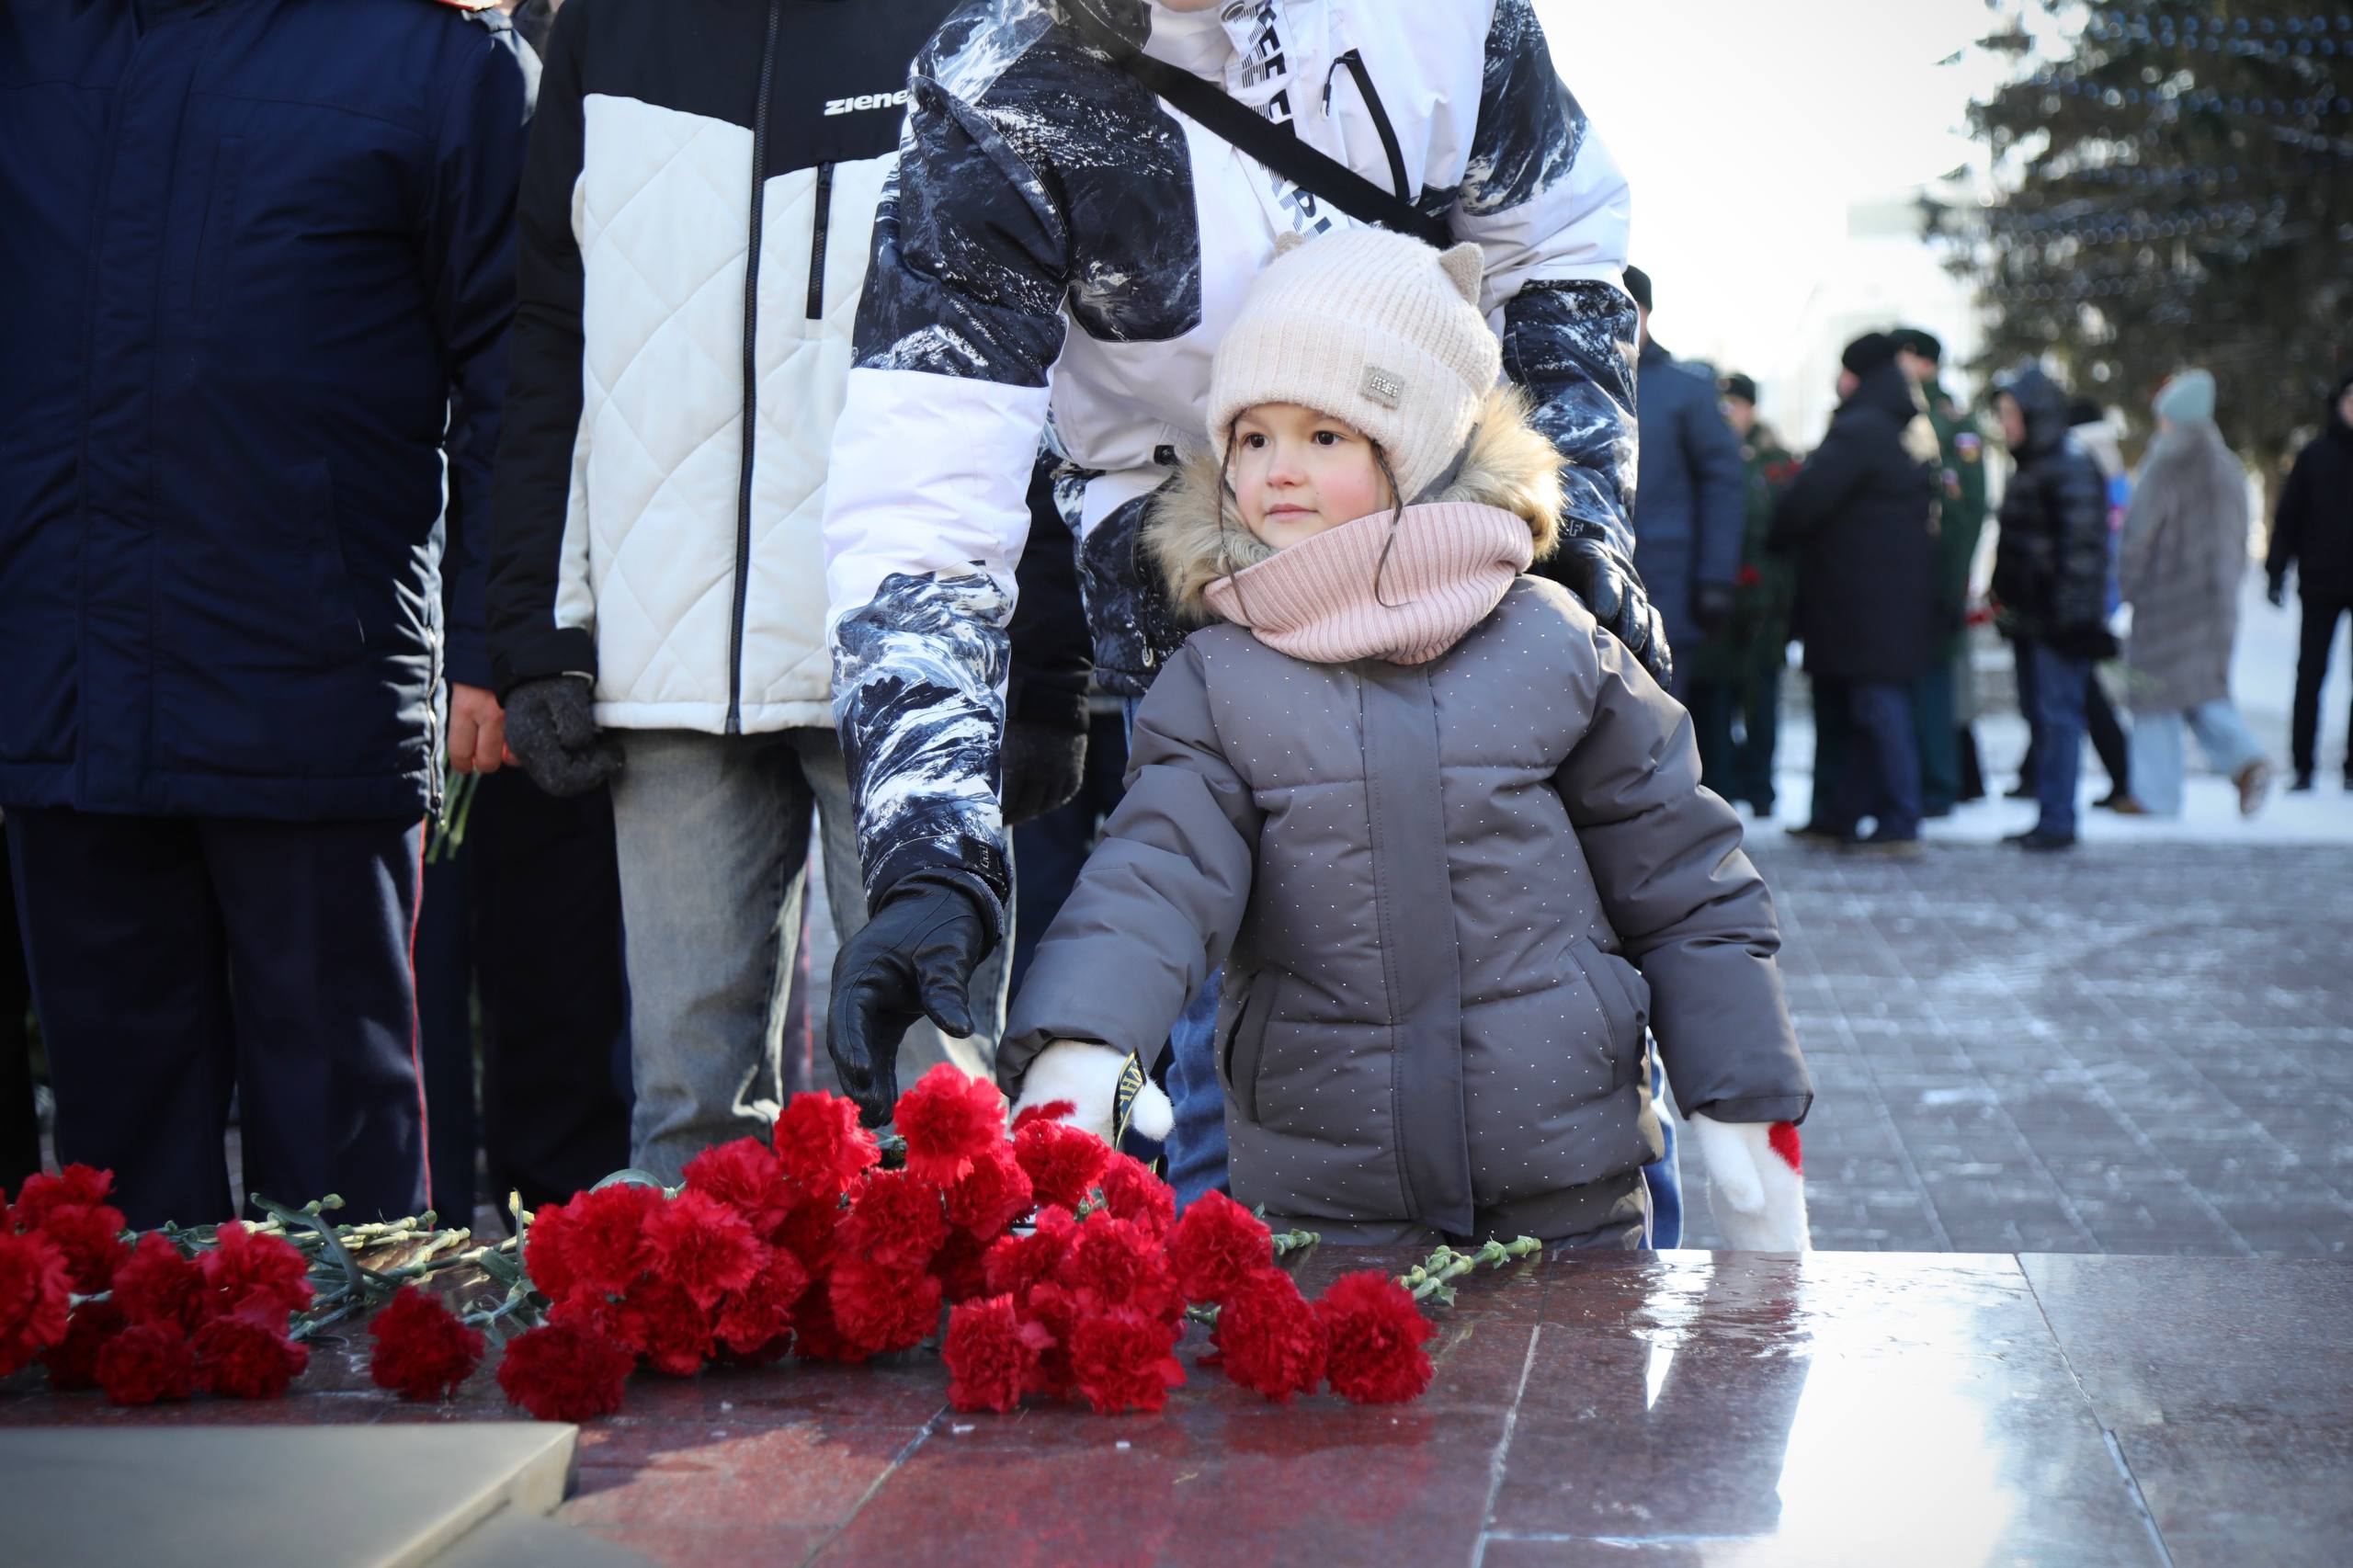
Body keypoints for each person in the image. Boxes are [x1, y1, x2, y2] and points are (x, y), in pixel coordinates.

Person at [820, 1, 1662, 1223]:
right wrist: (928, 858)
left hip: (1473, 581)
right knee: (1259, 1038)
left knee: (1556, 981)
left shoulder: (1442, 15)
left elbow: (1559, 236)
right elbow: (923, 499)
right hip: (1202, 601)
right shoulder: (1001, 81)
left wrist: (1577, 523)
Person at [1002, 231, 1812, 1250]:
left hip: (1566, 1185)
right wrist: (1082, 1035)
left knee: (1574, 1406)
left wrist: (1738, 1089)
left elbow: (1684, 879)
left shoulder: (1550, 644)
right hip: (1327, 1203)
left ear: (1417, 447)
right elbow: (1155, 869)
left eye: (1325, 437)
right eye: (1252, 439)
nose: (1278, 470)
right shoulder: (1220, 677)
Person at [0, 0, 530, 1230]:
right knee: (115, 1196)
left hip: (313, 681)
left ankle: (353, 1419)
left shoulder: (432, 58)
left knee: (346, 1167)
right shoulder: (31, 42)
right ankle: (143, 1406)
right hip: (65, 688)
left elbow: (517, 364)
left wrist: (499, 643)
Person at [486, 0, 1009, 1185]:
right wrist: (538, 631)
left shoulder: (971, 26)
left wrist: (1043, 674)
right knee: (684, 1134)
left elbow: (1039, 352)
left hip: (903, 666)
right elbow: (549, 330)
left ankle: (962, 1365)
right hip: (662, 657)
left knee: (945, 1121)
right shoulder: (607, 30)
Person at [1769, 334, 1941, 853]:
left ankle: (1899, 819)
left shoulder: (1861, 429)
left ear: (1857, 376)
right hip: (1886, 599)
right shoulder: (1905, 426)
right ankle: (1841, 816)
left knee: (1874, 709)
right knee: (1863, 709)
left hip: (1859, 600)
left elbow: (1804, 502)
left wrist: (1777, 525)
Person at [2116, 371, 2272, 818]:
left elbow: (2139, 534)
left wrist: (2127, 585)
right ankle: (2245, 760)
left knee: (2152, 694)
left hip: (2166, 600)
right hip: (2214, 601)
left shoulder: (2165, 462)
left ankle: (2155, 795)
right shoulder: (2227, 466)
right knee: (2202, 688)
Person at [1991, 369, 2118, 850]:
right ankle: (2050, 813)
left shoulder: (2068, 464)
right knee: (2042, 716)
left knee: (2058, 716)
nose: (2004, 424)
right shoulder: (2037, 463)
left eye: (2010, 414)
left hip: (2056, 623)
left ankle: (2058, 819)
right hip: (2034, 619)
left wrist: (2068, 619)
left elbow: (2083, 555)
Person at [1625, 267, 1746, 701]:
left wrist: (1715, 578)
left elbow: (1723, 487)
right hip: (1583, 591)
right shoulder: (1573, 384)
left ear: (1645, 312)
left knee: (1660, 725)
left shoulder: (1686, 392)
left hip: (1666, 589)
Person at [1689, 374, 1800, 818]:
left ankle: (1760, 786)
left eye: (1735, 405)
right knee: (1713, 697)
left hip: (1764, 606)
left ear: (1751, 409)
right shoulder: (1705, 456)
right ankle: (1719, 781)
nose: (1728, 415)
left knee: (1761, 700)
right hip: (1718, 600)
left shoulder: (1775, 462)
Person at [1892, 329, 1990, 817]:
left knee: (1935, 684)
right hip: (1908, 574)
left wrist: (1954, 583)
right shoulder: (1900, 415)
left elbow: (1970, 509)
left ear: (1921, 362)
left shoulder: (1952, 424)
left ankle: (1939, 784)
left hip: (1936, 576)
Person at [2267, 369, 2353, 792]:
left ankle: (2352, 767)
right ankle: (2303, 766)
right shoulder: (2315, 455)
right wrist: (2275, 569)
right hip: (2320, 582)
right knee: (2311, 675)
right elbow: (2288, 518)